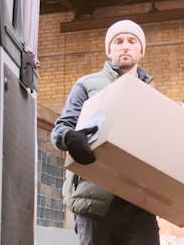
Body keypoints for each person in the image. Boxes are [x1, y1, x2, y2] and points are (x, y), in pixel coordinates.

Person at [51, 19, 159, 245]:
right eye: (118, 41)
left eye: (132, 41)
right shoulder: (87, 85)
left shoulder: (152, 96)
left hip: (139, 203)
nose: (125, 46)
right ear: (109, 50)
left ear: (141, 50)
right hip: (95, 202)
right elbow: (61, 128)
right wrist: (71, 139)